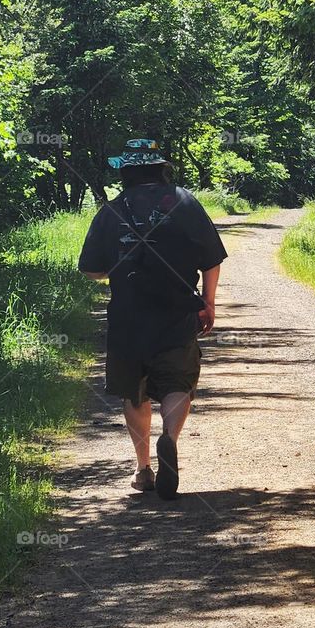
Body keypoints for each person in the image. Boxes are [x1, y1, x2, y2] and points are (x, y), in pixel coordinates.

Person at [78, 138, 227, 500]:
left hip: (128, 315)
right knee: (178, 380)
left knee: (135, 389)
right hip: (177, 310)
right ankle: (170, 438)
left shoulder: (111, 210)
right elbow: (211, 258)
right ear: (162, 168)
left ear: (125, 172)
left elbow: (91, 270)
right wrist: (208, 302)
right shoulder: (185, 202)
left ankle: (143, 468)